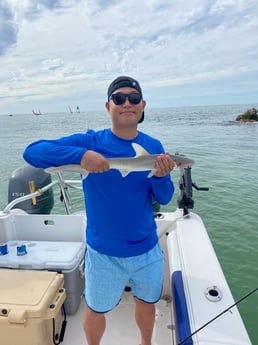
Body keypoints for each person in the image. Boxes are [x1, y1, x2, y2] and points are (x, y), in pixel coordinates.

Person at [23, 76, 175, 345]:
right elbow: (33, 152)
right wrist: (80, 157)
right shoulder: (90, 142)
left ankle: (146, 343)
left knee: (146, 302)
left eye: (133, 98)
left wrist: (162, 176)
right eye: (119, 98)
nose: (126, 103)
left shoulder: (154, 147)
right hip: (103, 251)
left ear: (143, 105)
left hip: (146, 248)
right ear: (108, 106)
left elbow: (163, 197)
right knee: (95, 309)